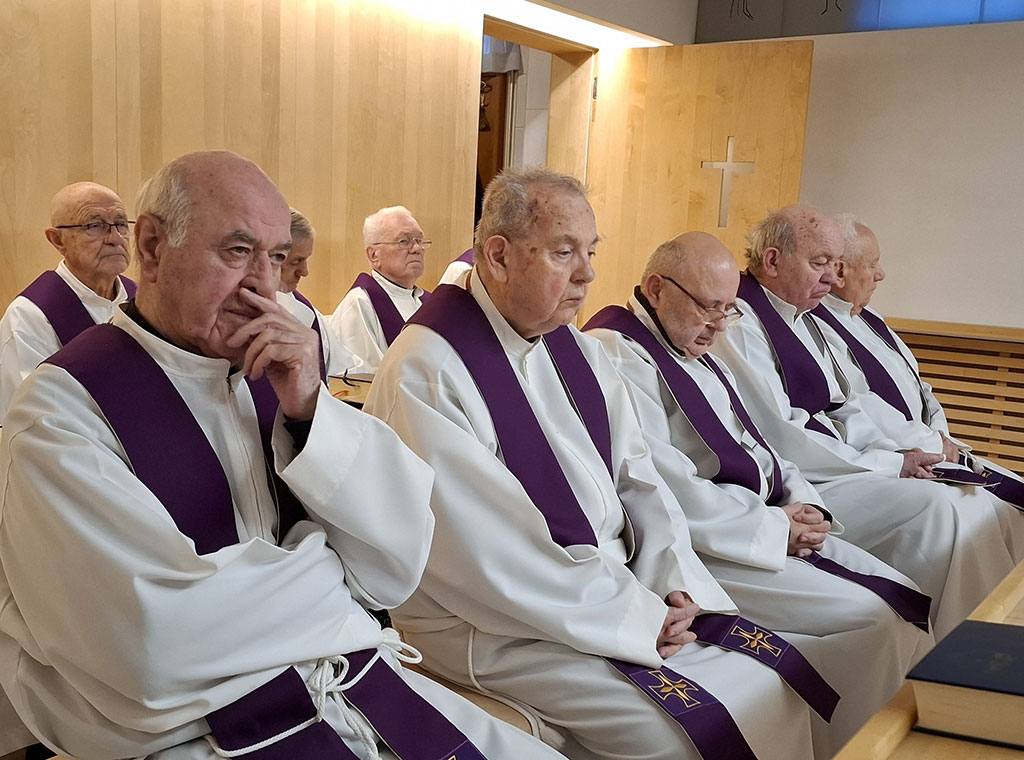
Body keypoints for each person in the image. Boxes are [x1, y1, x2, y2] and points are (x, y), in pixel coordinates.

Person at [0, 150, 569, 760]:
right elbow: (151, 640)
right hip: (198, 732)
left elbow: (396, 560)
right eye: (237, 251)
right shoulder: (63, 410)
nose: (263, 285)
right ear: (154, 247)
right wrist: (334, 572)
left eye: (275, 257)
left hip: (346, 681)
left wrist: (310, 411)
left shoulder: (272, 377)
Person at [366, 168, 821, 760]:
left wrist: (670, 581)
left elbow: (639, 478)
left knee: (773, 682)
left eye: (590, 251)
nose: (587, 274)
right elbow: (485, 553)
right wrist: (631, 613)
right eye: (564, 253)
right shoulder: (428, 369)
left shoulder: (574, 346)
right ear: (498, 256)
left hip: (614, 592)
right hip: (498, 625)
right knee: (684, 738)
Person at [583, 231, 932, 754]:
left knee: (903, 597)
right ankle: (854, 746)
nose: (720, 324)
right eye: (709, 307)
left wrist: (804, 502)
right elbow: (665, 482)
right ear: (656, 289)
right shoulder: (615, 351)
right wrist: (773, 527)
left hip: (761, 521)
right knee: (873, 620)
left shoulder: (695, 346)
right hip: (710, 543)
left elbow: (757, 441)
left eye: (728, 309)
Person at [711, 204, 1024, 638]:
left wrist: (910, 450)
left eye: (834, 264)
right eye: (819, 263)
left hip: (844, 463)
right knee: (946, 512)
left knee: (972, 503)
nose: (830, 277)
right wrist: (891, 462)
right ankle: (960, 650)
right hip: (810, 478)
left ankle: (989, 639)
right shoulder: (742, 324)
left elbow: (850, 403)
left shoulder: (803, 319)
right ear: (773, 261)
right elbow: (782, 434)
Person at [813, 216, 1024, 507]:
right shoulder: (818, 325)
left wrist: (941, 437)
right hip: (894, 454)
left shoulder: (870, 318)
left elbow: (921, 389)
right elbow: (857, 403)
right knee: (962, 509)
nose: (881, 275)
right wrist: (934, 444)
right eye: (873, 264)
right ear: (840, 271)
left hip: (933, 448)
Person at [0, 182, 136, 424]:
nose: (115, 238)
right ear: (58, 240)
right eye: (95, 226)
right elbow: (30, 420)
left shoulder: (142, 300)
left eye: (121, 224)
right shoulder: (30, 317)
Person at [328, 206, 430, 373]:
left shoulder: (428, 303)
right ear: (373, 255)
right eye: (404, 241)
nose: (417, 249)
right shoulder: (360, 303)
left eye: (419, 240)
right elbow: (360, 378)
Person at [276, 208, 355, 377]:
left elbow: (344, 370)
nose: (304, 272)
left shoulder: (306, 310)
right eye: (296, 261)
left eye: (306, 260)